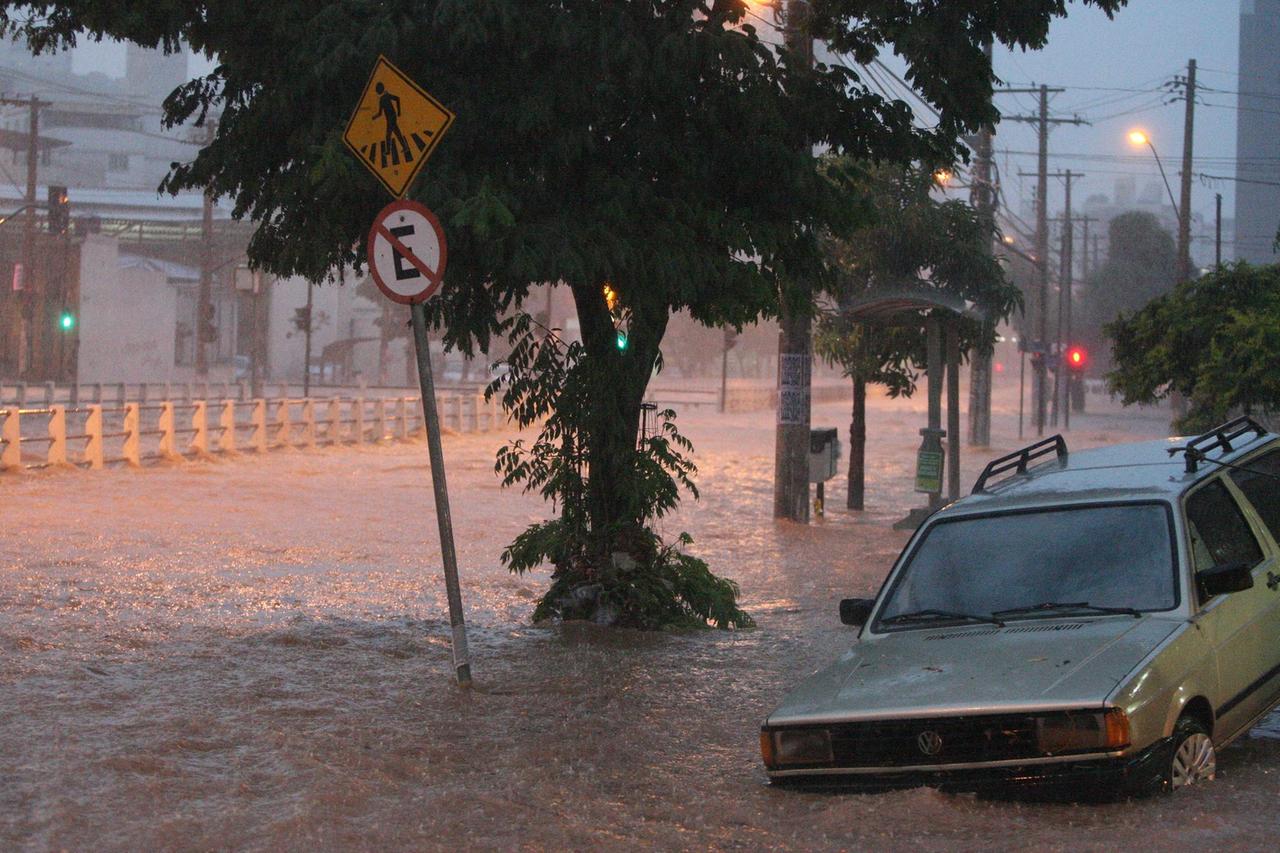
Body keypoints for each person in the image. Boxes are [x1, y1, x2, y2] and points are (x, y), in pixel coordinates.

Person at [372, 82, 412, 164]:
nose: (377, 92)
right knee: (397, 133)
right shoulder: (382, 99)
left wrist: (399, 111)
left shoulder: (386, 96)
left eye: (377, 90)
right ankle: (405, 147)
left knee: (388, 135)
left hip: (392, 118)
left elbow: (397, 98)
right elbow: (380, 113)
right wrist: (374, 117)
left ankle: (388, 151)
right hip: (390, 118)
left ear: (380, 90)